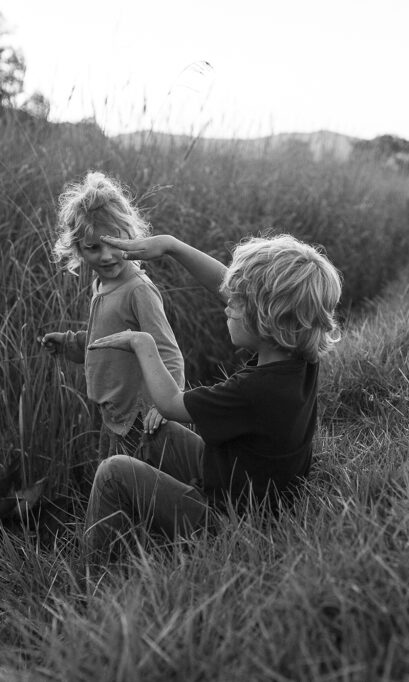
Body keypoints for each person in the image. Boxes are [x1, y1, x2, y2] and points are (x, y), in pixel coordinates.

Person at [82, 232, 342, 560]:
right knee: (159, 432)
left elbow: (170, 403)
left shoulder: (254, 391)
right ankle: (146, 528)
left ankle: (96, 576)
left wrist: (142, 343)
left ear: (267, 319)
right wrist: (172, 246)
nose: (227, 304)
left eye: (237, 301)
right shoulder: (299, 359)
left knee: (113, 472)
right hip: (244, 488)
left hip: (229, 525)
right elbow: (228, 285)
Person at [41, 171, 185, 460]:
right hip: (115, 412)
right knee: (118, 478)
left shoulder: (138, 291)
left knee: (136, 487)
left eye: (114, 242)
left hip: (141, 417)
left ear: (130, 236)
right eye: (93, 248)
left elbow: (168, 351)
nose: (106, 256)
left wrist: (166, 405)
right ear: (78, 249)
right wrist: (71, 344)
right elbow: (108, 339)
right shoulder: (103, 284)